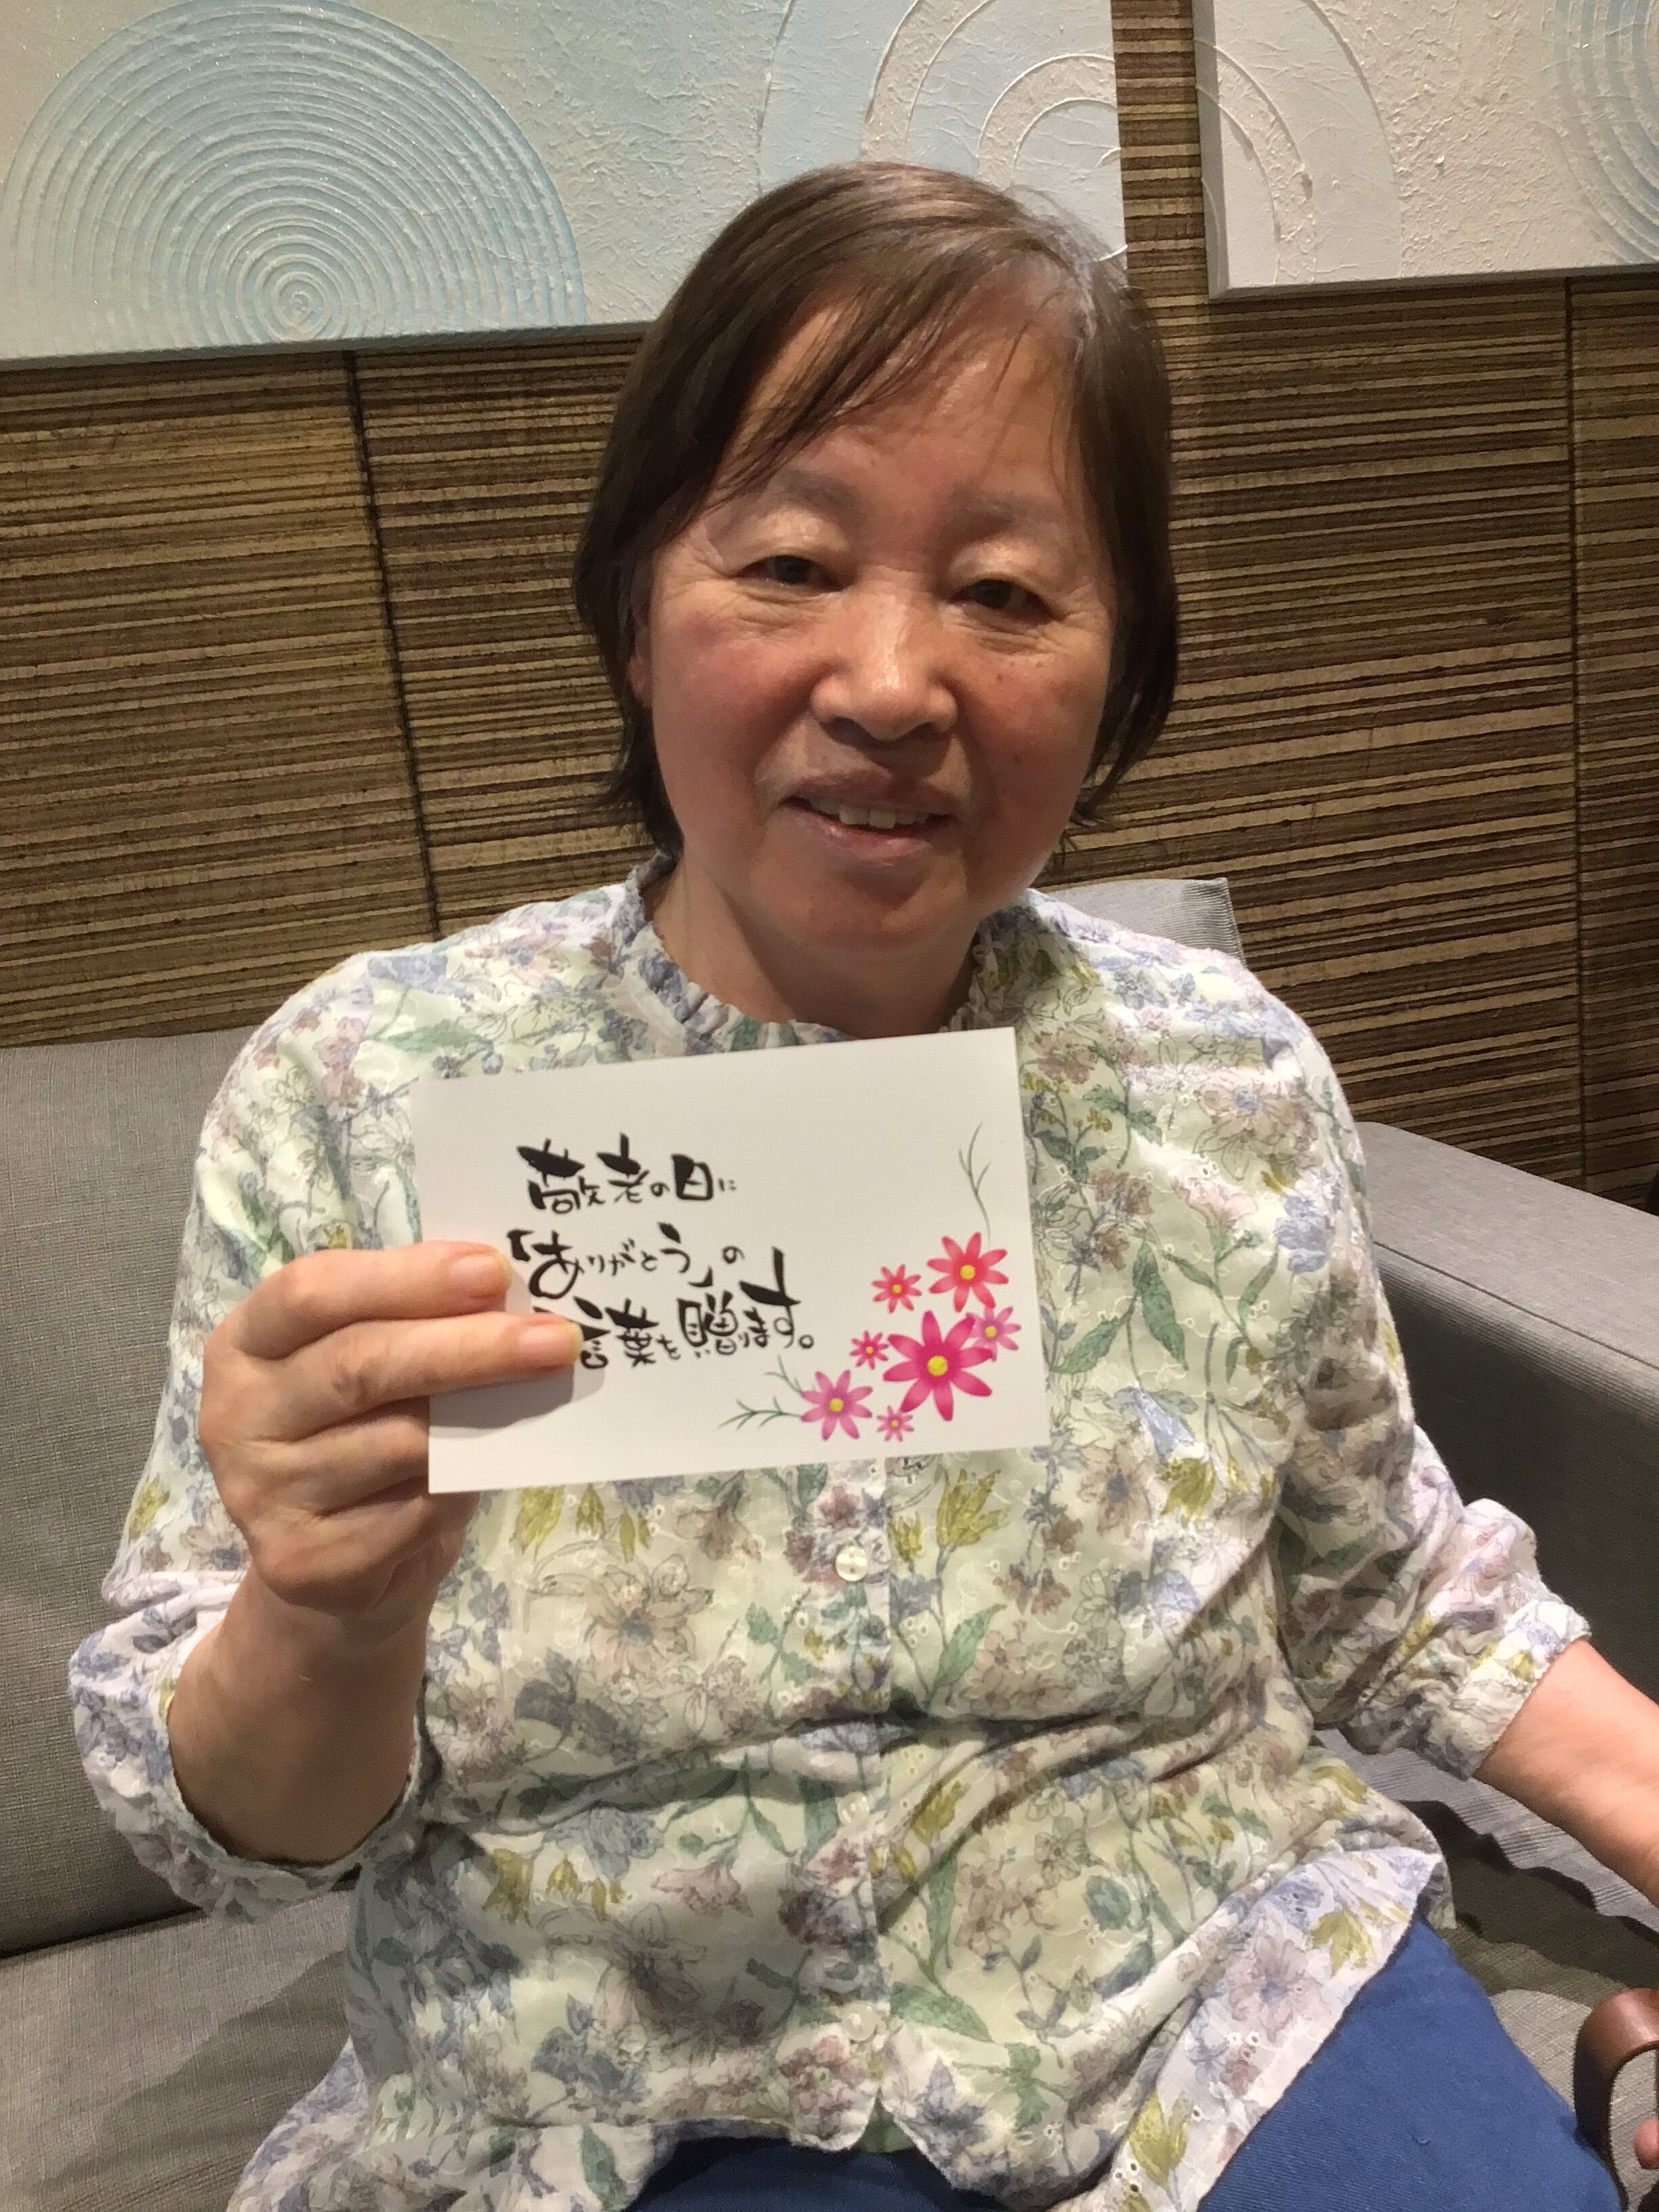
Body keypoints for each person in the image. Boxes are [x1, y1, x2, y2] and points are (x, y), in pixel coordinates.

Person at [71, 163, 1659, 2212]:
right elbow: (230, 1831)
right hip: (632, 2073)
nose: (896, 682)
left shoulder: (1220, 1077)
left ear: (1119, 669)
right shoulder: (368, 1096)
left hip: (1210, 1995)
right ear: (637, 607)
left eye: (1004, 591)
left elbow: (1389, 1586)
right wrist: (324, 1611)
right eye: (794, 561)